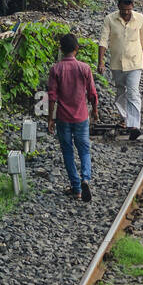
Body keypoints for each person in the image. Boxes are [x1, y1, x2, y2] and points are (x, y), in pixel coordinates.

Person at [47, 33, 99, 202]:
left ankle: (76, 188)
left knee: (68, 152)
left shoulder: (56, 69)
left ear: (61, 49)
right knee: (84, 150)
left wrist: (50, 118)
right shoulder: (84, 68)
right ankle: (85, 178)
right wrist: (95, 111)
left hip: (63, 118)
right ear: (77, 49)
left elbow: (52, 96)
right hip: (81, 116)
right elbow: (92, 93)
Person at [98, 0, 143, 140]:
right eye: (123, 10)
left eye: (128, 10)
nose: (126, 13)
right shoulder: (110, 19)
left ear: (132, 7)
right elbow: (103, 41)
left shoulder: (140, 19)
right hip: (117, 63)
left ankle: (134, 126)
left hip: (134, 62)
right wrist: (100, 61)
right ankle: (126, 118)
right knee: (120, 93)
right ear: (118, 7)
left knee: (133, 92)